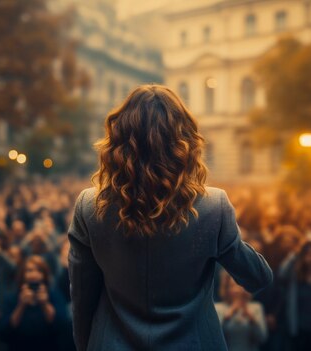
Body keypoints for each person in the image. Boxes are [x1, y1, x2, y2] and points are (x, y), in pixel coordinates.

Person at [68, 84, 273, 351]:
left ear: (119, 140)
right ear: (184, 140)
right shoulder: (213, 206)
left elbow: (82, 297)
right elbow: (258, 277)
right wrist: (225, 236)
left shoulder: (89, 206)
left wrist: (88, 345)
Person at [0, 255, 70, 351]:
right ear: (22, 274)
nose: (34, 274)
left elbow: (63, 327)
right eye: (29, 271)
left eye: (39, 271)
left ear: (44, 275)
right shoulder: (12, 298)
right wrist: (21, 305)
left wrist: (45, 304)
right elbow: (3, 332)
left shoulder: (54, 295)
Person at [215, 271, 268, 351]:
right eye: (233, 286)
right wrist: (228, 315)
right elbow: (215, 337)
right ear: (226, 288)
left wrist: (251, 317)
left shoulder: (256, 307)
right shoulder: (219, 308)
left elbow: (262, 338)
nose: (237, 290)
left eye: (240, 285)